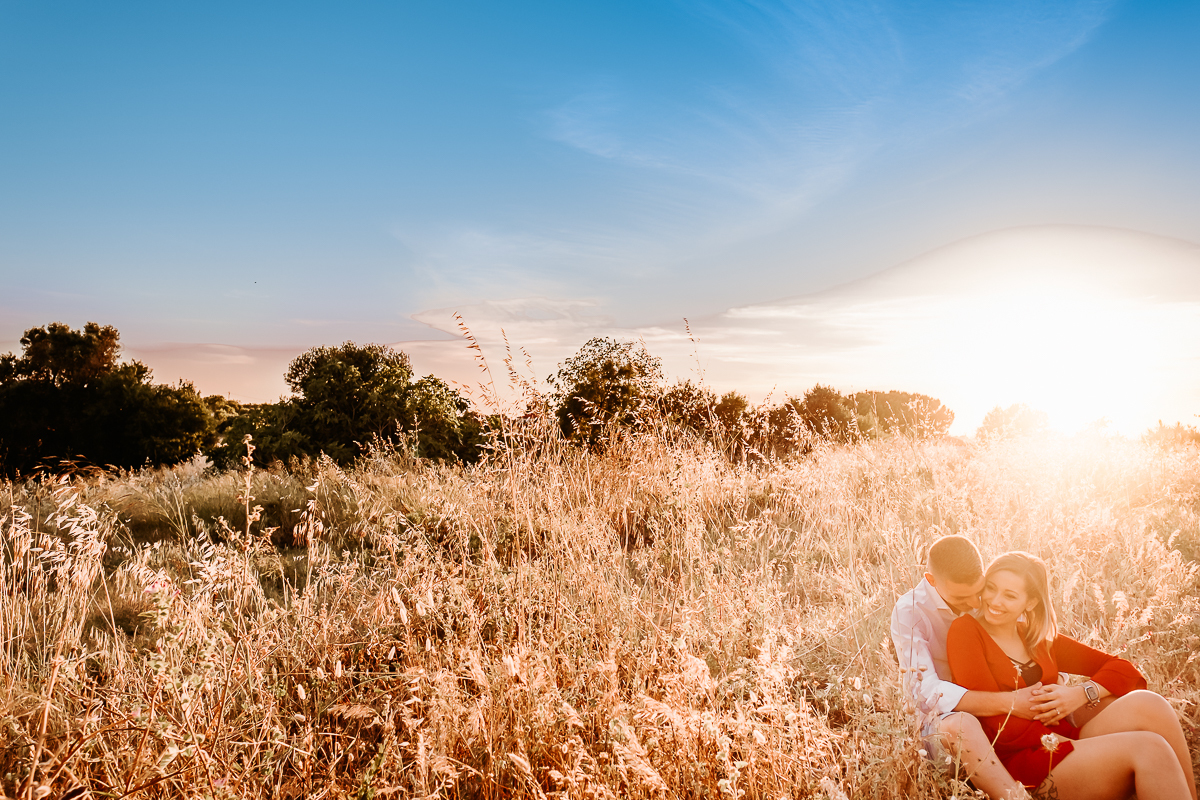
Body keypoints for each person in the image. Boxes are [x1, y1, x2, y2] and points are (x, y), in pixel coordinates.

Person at [947, 551, 1197, 800]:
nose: (994, 600)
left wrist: (1079, 694)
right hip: (1021, 759)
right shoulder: (967, 630)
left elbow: (1126, 671)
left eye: (1010, 595)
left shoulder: (1035, 637)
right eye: (991, 588)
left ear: (1030, 603)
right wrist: (1065, 740)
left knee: (1151, 704)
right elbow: (991, 719)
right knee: (1149, 749)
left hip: (1065, 739)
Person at [892, 535, 1038, 800]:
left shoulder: (990, 595)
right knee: (963, 725)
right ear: (931, 580)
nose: (975, 604)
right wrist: (1010, 702)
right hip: (945, 723)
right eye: (962, 597)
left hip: (998, 704)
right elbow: (926, 693)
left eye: (978, 592)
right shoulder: (910, 611)